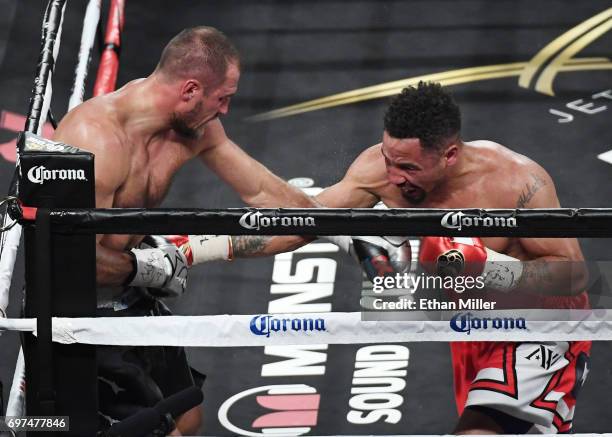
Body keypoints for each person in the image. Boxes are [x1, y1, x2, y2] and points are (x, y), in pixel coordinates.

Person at [219, 81, 591, 433]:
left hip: (541, 326)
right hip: (475, 325)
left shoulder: (517, 182)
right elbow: (305, 221)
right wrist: (204, 247)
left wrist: (483, 266)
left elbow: (572, 279)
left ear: (449, 155)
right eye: (389, 159)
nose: (394, 178)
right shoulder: (380, 170)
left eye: (409, 168)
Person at [51, 26, 316, 435]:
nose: (226, 110)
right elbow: (70, 262)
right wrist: (150, 269)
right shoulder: (96, 141)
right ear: (190, 90)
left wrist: (340, 227)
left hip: (130, 295)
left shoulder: (195, 129)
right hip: (80, 315)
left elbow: (268, 194)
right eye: (222, 98)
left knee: (188, 417)